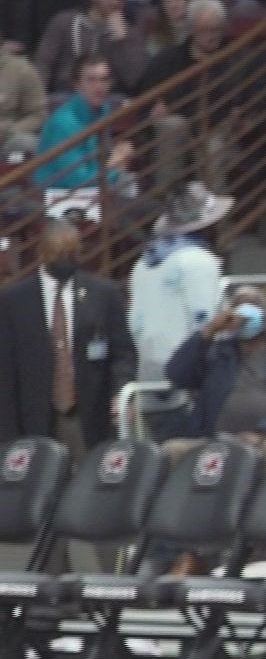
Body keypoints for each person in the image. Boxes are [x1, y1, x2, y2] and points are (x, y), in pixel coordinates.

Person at [0, 220, 133, 572]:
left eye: (73, 253)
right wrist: (9, 435)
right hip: (36, 415)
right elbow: (5, 369)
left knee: (100, 495)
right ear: (42, 253)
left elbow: (123, 352)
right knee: (44, 497)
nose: (67, 259)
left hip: (88, 412)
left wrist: (121, 392)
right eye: (60, 253)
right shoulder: (14, 300)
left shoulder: (103, 293)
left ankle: (108, 580)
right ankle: (53, 580)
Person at [160, 284, 266, 471]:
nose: (244, 314)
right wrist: (208, 331)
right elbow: (176, 375)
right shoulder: (215, 354)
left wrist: (264, 431)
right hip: (215, 438)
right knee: (173, 449)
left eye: (253, 305)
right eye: (238, 306)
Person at [127, 182, 228, 440]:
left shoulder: (143, 263)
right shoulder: (200, 263)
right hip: (185, 384)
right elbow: (205, 325)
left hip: (147, 378)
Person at [136, 0, 232, 197]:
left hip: (217, 128)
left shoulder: (231, 59)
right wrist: (154, 111)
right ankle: (166, 206)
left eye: (216, 29)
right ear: (191, 30)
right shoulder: (169, 59)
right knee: (173, 126)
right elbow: (146, 100)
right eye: (205, 30)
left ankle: (217, 224)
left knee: (211, 147)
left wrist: (174, 106)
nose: (212, 35)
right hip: (182, 128)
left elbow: (225, 105)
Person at [36, 0, 147, 94]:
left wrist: (122, 41)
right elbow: (44, 62)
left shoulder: (131, 33)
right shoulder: (64, 21)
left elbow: (135, 80)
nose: (115, 2)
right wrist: (39, 98)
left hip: (108, 98)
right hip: (66, 93)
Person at [34, 54, 132, 191]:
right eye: (91, 80)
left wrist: (118, 153)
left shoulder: (104, 110)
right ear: (77, 85)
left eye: (104, 80)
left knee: (133, 185)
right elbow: (78, 181)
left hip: (96, 188)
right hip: (60, 196)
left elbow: (102, 160)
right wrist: (115, 164)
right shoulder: (63, 123)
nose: (99, 86)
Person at [0, 39, 48, 156]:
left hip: (7, 140)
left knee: (26, 143)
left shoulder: (22, 70)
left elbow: (38, 115)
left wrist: (9, 131)